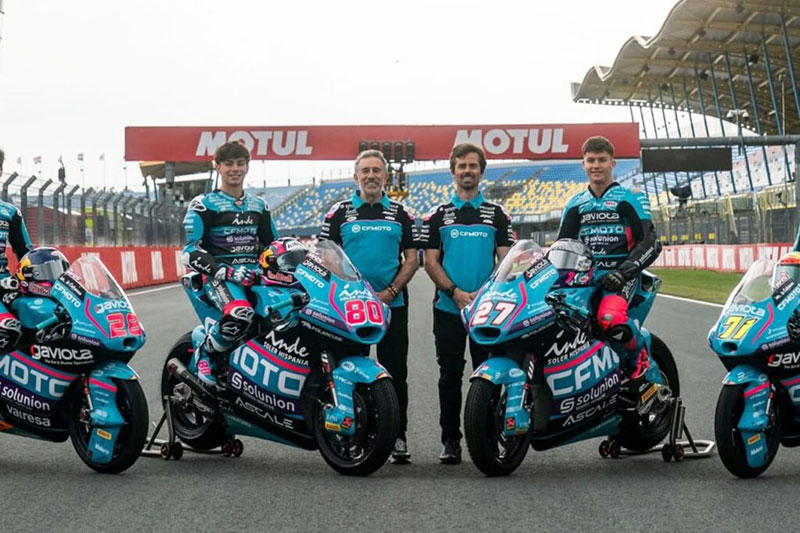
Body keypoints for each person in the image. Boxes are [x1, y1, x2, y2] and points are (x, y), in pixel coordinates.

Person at [319, 149, 418, 464]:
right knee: (349, 371)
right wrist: (352, 292)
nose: (371, 176)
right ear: (356, 176)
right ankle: (356, 434)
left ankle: (398, 436)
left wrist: (390, 291)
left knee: (395, 372)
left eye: (377, 170)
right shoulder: (338, 213)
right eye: (366, 171)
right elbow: (326, 257)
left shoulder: (401, 213)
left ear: (385, 176)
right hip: (348, 307)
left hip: (392, 304)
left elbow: (412, 259)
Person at [419, 143, 514, 464]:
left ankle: (488, 437)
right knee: (449, 376)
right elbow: (431, 262)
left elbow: (507, 261)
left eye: (473, 166)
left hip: (489, 310)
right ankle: (450, 440)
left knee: (490, 375)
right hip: (449, 308)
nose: (467, 171)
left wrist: (487, 294)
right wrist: (455, 292)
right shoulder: (437, 215)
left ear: (481, 171)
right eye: (461, 166)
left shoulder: (497, 214)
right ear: (453, 171)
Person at [557, 136, 660, 387]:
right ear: (583, 164)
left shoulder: (631, 197)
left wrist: (624, 272)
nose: (596, 165)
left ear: (612, 163)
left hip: (622, 276)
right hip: (584, 278)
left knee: (609, 318)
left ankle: (639, 353)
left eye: (602, 160)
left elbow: (650, 242)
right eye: (591, 160)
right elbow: (561, 246)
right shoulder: (575, 203)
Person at [183, 141, 278, 386]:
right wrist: (225, 271)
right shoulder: (204, 204)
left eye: (240, 163)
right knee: (241, 314)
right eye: (228, 164)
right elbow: (190, 251)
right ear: (218, 167)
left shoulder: (259, 205)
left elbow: (273, 245)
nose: (235, 169)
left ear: (247, 167)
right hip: (219, 277)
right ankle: (205, 351)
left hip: (256, 276)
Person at [0, 148, 33, 353]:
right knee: (7, 329)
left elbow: (27, 254)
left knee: (40, 315)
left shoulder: (10, 212)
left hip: (4, 285)